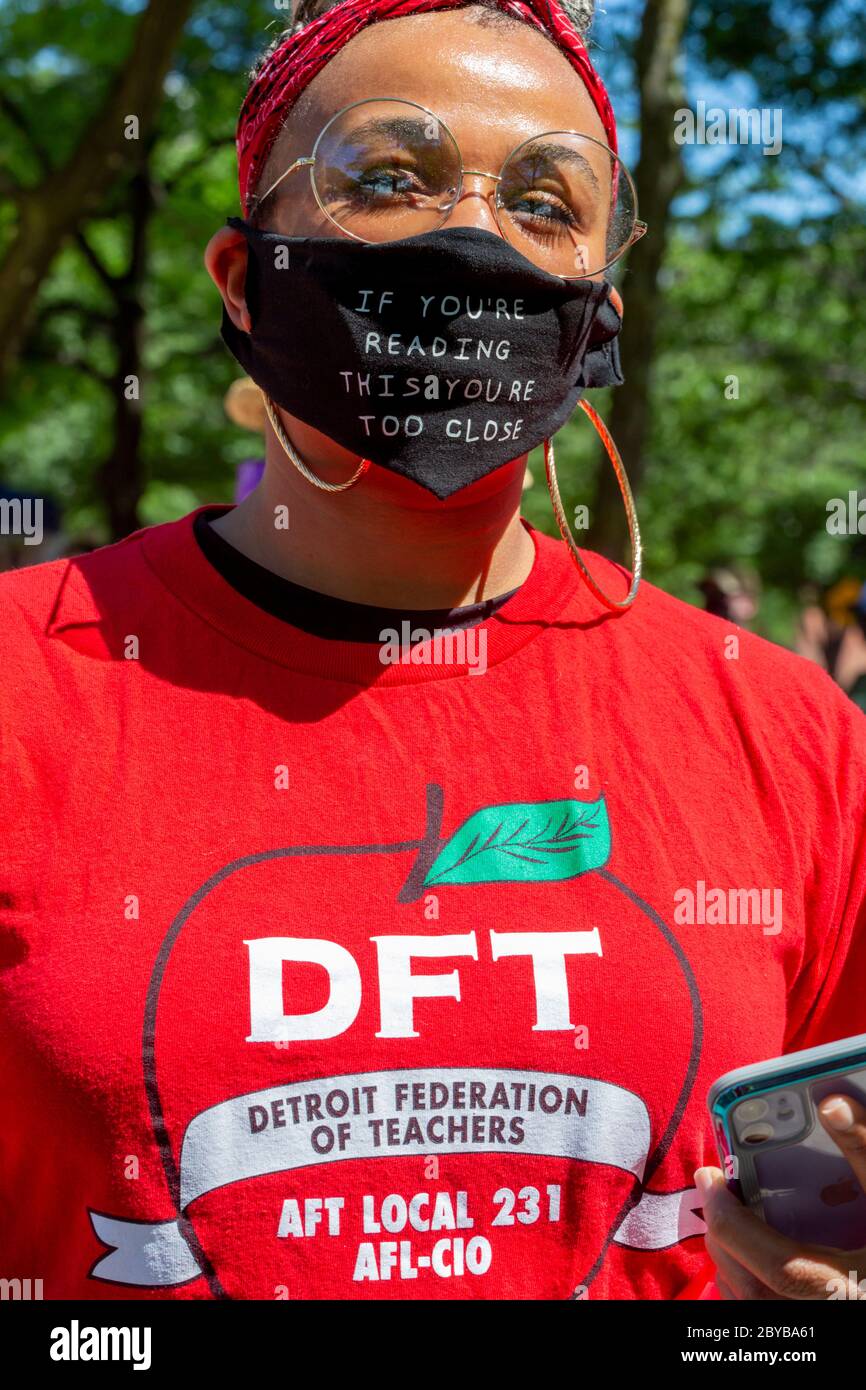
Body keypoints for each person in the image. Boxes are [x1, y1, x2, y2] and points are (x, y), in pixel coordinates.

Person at [2, 0, 866, 1304]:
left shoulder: (786, 734)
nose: (469, 236)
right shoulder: (26, 689)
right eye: (387, 180)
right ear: (243, 276)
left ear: (597, 324)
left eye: (543, 201)